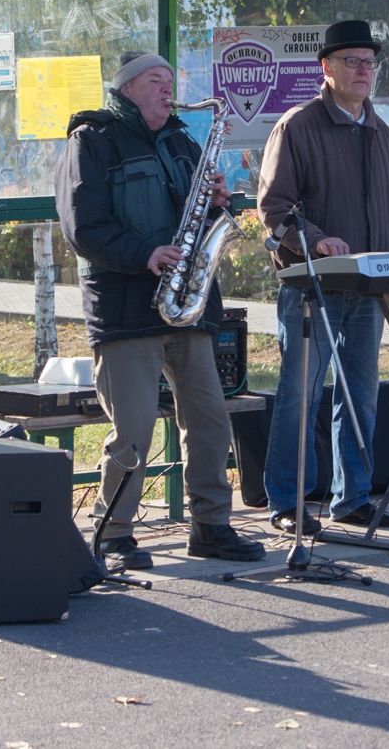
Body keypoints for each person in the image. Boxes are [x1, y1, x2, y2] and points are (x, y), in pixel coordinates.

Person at [55, 50, 264, 569]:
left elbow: (198, 215)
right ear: (127, 88)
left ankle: (211, 526)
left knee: (211, 421)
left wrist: (219, 203)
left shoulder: (182, 141)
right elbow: (82, 225)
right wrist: (143, 254)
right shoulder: (92, 140)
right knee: (133, 429)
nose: (168, 90)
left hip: (188, 305)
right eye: (155, 80)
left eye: (171, 80)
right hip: (127, 309)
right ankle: (112, 533)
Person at [256, 20, 389, 535]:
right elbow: (273, 209)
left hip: (370, 288)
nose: (364, 70)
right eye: (352, 61)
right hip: (313, 289)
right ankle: (288, 502)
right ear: (327, 67)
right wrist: (317, 239)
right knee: (300, 395)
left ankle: (353, 498)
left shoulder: (383, 134)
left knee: (361, 393)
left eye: (369, 62)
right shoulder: (296, 127)